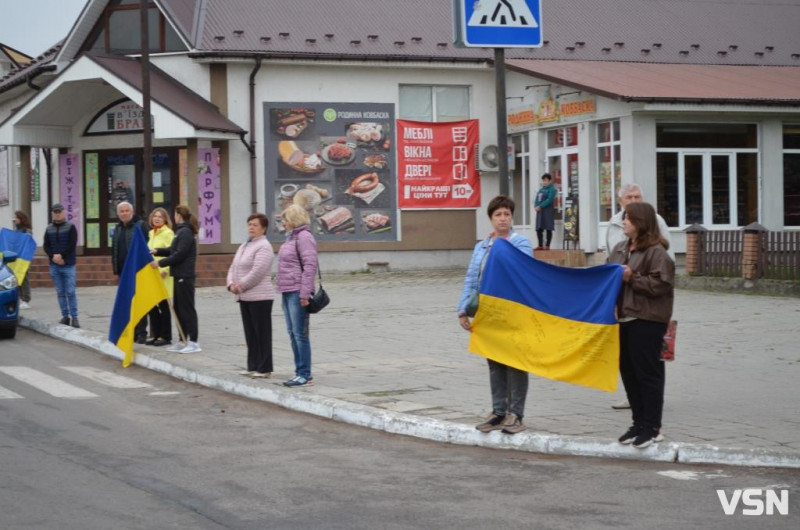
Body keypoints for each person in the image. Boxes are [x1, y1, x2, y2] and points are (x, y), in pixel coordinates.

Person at [457, 195, 533, 435]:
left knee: (515, 362)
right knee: (495, 362)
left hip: (514, 311)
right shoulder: (482, 246)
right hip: (487, 312)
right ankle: (498, 411)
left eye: (507, 215)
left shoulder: (520, 243)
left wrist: (501, 247)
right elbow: (472, 278)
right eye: (498, 215)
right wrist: (462, 309)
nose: (503, 219)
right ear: (491, 218)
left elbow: (523, 271)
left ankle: (516, 414)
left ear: (512, 218)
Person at [608, 202, 675, 449]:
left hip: (647, 320)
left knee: (648, 375)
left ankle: (652, 426)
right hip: (623, 320)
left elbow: (661, 285)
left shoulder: (656, 252)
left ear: (641, 223)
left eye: (628, 218)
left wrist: (632, 277)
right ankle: (637, 423)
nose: (623, 222)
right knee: (629, 373)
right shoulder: (619, 249)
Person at [227, 213, 275, 378]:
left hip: (260, 297)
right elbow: (233, 267)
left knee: (262, 333)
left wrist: (239, 286)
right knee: (250, 333)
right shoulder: (244, 245)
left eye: (255, 225)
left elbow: (258, 271)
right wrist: (230, 284)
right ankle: (252, 365)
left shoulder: (264, 246)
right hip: (244, 297)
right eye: (249, 224)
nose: (251, 227)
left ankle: (265, 367)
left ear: (264, 228)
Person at [276, 204, 317, 387]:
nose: (283, 222)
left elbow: (310, 266)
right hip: (287, 290)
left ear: (294, 219)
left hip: (297, 291)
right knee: (292, 333)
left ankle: (305, 374)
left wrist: (305, 293)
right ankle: (298, 371)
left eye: (285, 219)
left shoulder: (304, 237)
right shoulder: (291, 237)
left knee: (300, 334)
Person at [152, 205, 200, 354]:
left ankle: (193, 341)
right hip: (178, 275)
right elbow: (172, 250)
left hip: (185, 276)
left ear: (178, 215)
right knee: (178, 309)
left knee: (187, 309)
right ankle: (182, 339)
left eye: (175, 214)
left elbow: (179, 254)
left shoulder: (185, 232)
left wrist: (160, 263)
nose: (174, 216)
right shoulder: (180, 232)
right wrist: (158, 251)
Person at [111, 201, 149, 344]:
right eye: (122, 211)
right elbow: (114, 251)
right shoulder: (117, 229)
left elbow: (147, 247)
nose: (124, 213)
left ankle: (141, 332)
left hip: (138, 270)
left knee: (139, 302)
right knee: (128, 303)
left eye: (127, 210)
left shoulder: (140, 226)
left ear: (132, 212)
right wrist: (116, 271)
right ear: (118, 214)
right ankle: (131, 330)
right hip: (123, 273)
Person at [43, 203, 79, 328]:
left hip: (68, 265)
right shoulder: (48, 228)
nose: (57, 214)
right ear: (52, 213)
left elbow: (72, 244)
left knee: (70, 291)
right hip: (54, 265)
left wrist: (62, 257)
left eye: (59, 211)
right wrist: (53, 256)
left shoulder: (71, 227)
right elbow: (46, 245)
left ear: (63, 212)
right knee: (60, 292)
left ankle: (75, 317)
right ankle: (65, 316)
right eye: (55, 212)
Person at [146, 207, 175, 347]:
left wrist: (165, 269)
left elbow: (173, 254)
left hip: (163, 275)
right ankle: (155, 334)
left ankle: (166, 336)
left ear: (165, 220)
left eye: (160, 217)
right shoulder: (151, 233)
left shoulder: (168, 233)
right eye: (155, 216)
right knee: (152, 306)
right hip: (151, 276)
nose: (157, 218)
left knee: (163, 307)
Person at [12, 210, 33, 309]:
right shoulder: (16, 230)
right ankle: (20, 298)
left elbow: (27, 241)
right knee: (17, 278)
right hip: (16, 258)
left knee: (24, 278)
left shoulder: (27, 231)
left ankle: (26, 299)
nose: (14, 219)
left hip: (24, 258)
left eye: (16, 218)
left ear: (21, 219)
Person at [533, 173, 556, 250]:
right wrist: (536, 206)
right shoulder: (541, 189)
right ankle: (540, 245)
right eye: (544, 180)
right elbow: (536, 199)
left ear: (549, 181)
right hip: (540, 212)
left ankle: (547, 245)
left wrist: (541, 206)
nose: (545, 182)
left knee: (548, 227)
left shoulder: (552, 189)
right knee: (539, 228)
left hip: (547, 211)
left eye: (546, 180)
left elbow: (549, 199)